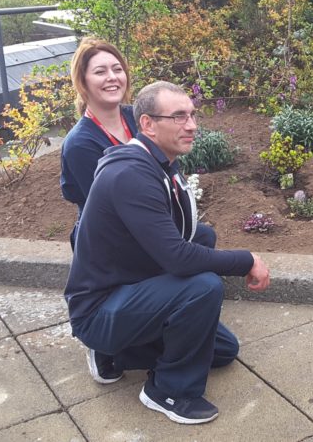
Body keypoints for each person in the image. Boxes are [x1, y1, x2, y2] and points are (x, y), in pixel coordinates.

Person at [64, 81, 271, 425]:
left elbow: (187, 238)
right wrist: (247, 260)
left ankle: (120, 351)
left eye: (191, 115)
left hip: (131, 285)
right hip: (99, 309)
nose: (191, 125)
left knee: (224, 351)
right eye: (177, 117)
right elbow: (177, 257)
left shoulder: (157, 161)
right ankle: (167, 391)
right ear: (147, 124)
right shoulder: (130, 174)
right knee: (204, 286)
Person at [60, 38, 137, 249]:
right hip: (111, 241)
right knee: (205, 281)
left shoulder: (138, 117)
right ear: (83, 82)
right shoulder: (80, 144)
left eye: (117, 69)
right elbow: (111, 209)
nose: (112, 77)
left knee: (203, 236)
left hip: (146, 220)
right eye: (100, 72)